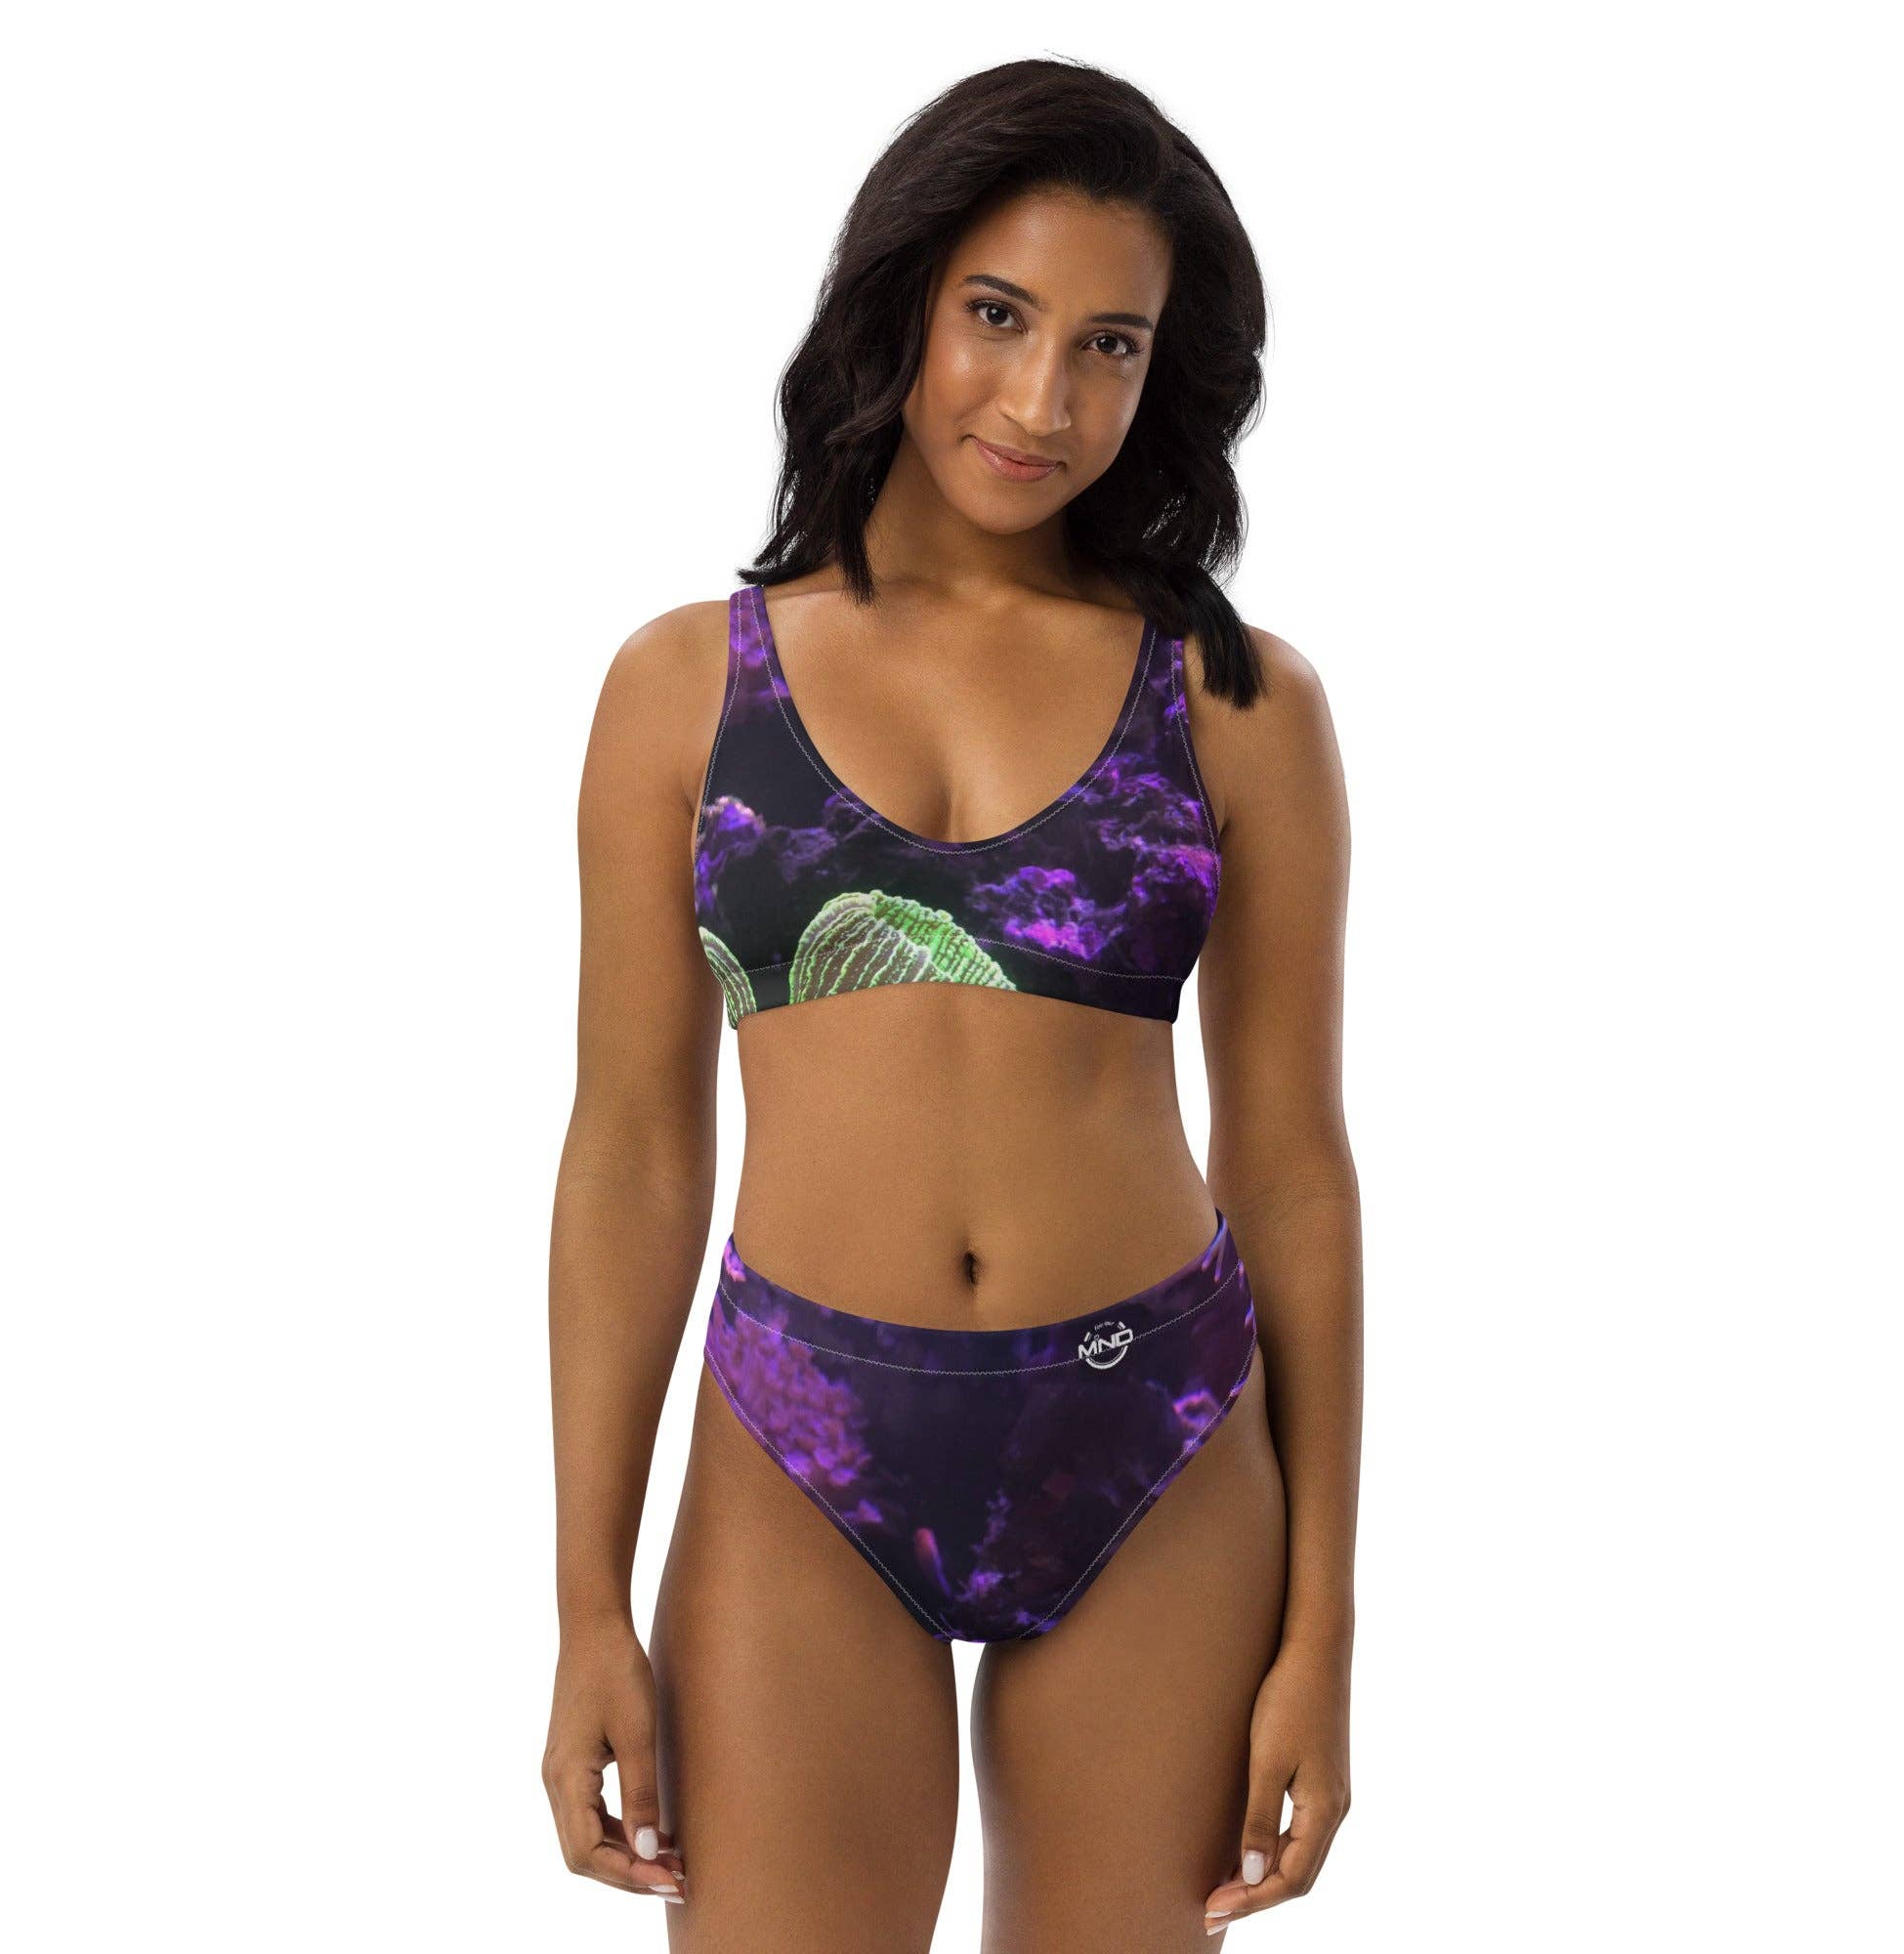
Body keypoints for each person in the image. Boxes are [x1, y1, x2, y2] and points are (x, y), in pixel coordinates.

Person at [540, 57, 1361, 1950]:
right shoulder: (683, 691)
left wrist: (1324, 1624)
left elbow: (1293, 1165)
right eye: (997, 315)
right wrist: (586, 1600)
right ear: (900, 297)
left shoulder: (1237, 703)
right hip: (802, 1438)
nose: (1042, 401)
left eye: (1108, 346)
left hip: (1154, 1437)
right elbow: (635, 1153)